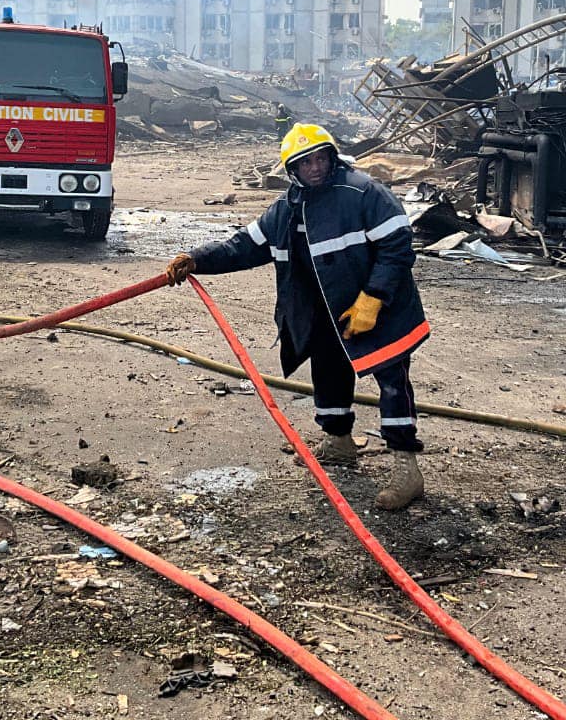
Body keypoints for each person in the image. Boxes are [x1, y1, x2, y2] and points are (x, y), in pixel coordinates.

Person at [166, 123, 430, 510]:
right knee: (329, 373)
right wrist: (197, 259)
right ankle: (338, 442)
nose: (315, 168)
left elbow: (397, 246)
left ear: (332, 158)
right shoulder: (286, 209)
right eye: (305, 163)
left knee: (392, 382)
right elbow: (244, 246)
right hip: (325, 312)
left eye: (320, 159)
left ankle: (407, 469)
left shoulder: (364, 193)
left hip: (380, 309)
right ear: (292, 169)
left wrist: (373, 298)